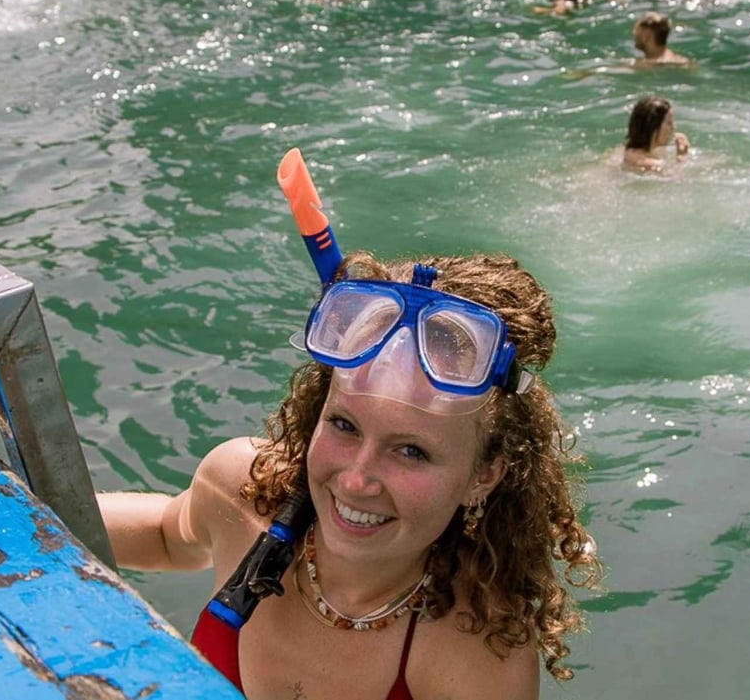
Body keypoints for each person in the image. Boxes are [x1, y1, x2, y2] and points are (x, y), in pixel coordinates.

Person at [97, 243, 601, 700]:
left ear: (483, 476)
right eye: (344, 425)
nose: (356, 480)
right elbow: (165, 537)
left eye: (411, 452)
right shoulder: (243, 492)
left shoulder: (478, 655)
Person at [621, 95, 689, 172]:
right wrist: (682, 156)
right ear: (653, 127)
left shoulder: (624, 150)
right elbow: (678, 177)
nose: (673, 128)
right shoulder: (653, 166)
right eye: (669, 123)